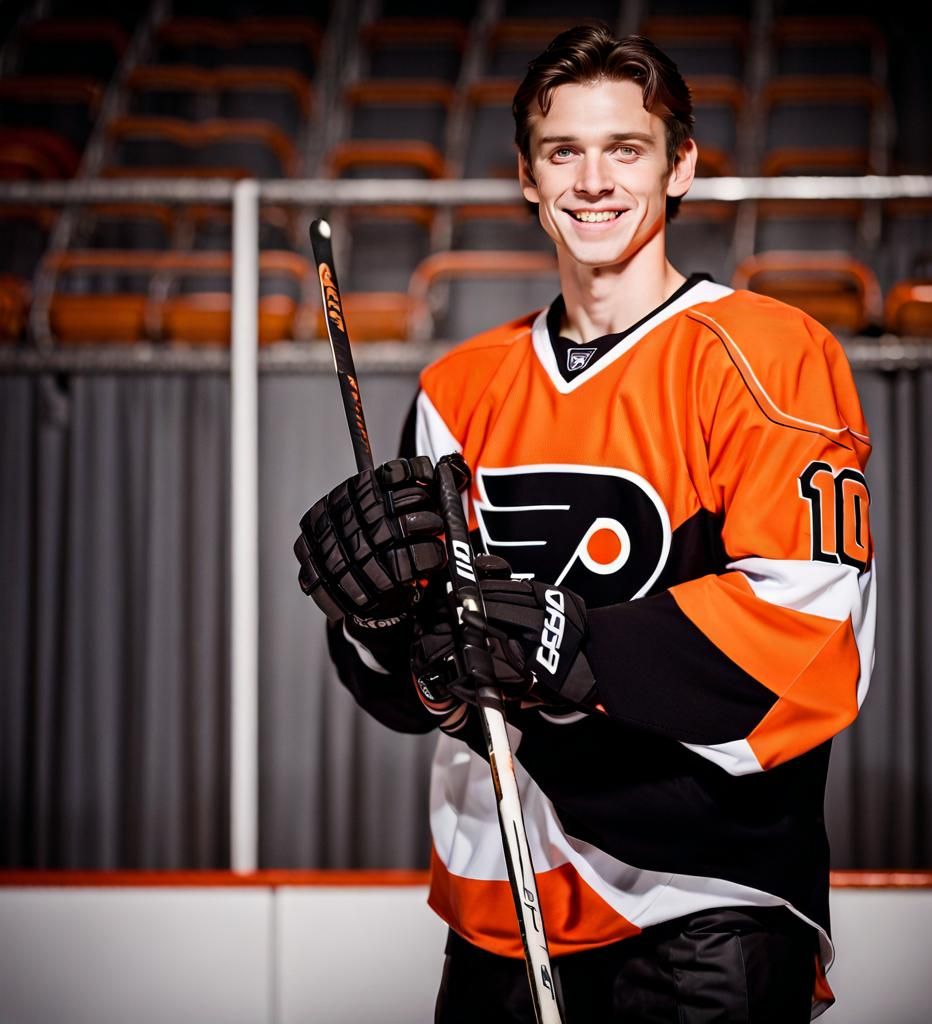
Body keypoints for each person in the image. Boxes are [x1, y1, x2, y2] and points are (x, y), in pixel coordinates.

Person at [295, 24, 876, 1023]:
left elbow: (813, 638)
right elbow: (431, 684)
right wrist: (376, 629)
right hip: (500, 895)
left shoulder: (769, 352)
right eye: (563, 151)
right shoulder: (457, 386)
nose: (593, 180)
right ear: (527, 176)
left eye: (626, 148)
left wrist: (570, 641)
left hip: (703, 902)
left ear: (680, 164)